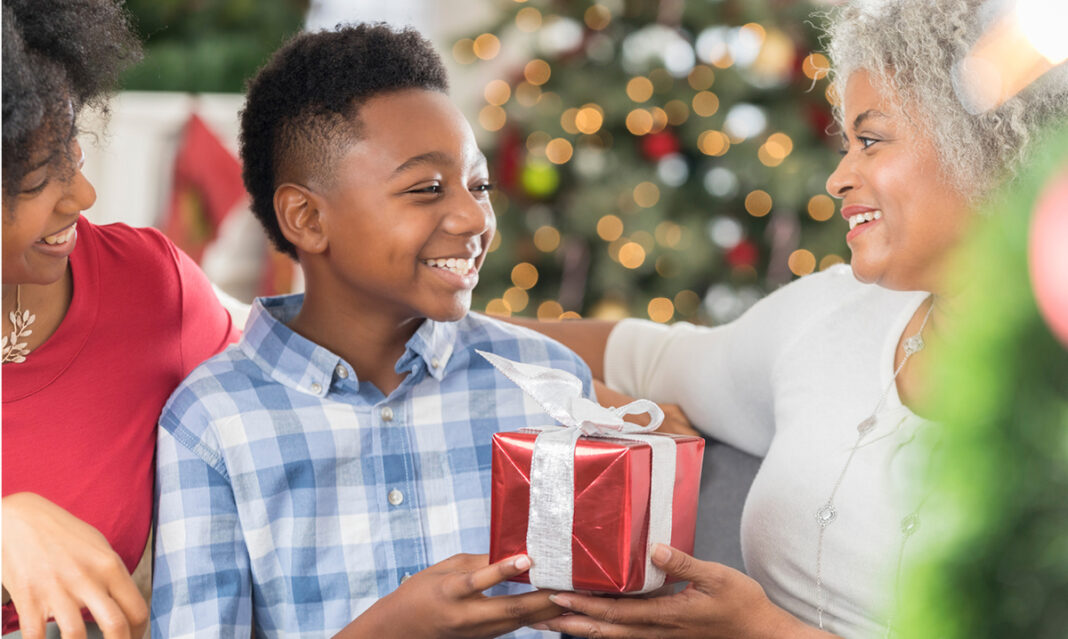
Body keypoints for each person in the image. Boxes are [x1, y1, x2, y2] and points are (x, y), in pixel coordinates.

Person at [508, 1, 1068, 637]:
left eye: (872, 141)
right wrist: (429, 320)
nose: (838, 177)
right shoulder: (831, 315)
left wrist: (761, 630)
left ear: (987, 146)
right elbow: (645, 358)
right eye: (845, 144)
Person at [149, 23, 590, 638]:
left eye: (479, 184)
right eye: (426, 189)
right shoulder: (212, 422)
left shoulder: (551, 384)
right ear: (306, 218)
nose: (472, 216)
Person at [0, 0, 240, 637]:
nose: (84, 195)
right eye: (41, 176)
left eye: (72, 154)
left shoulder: (147, 288)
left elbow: (287, 406)